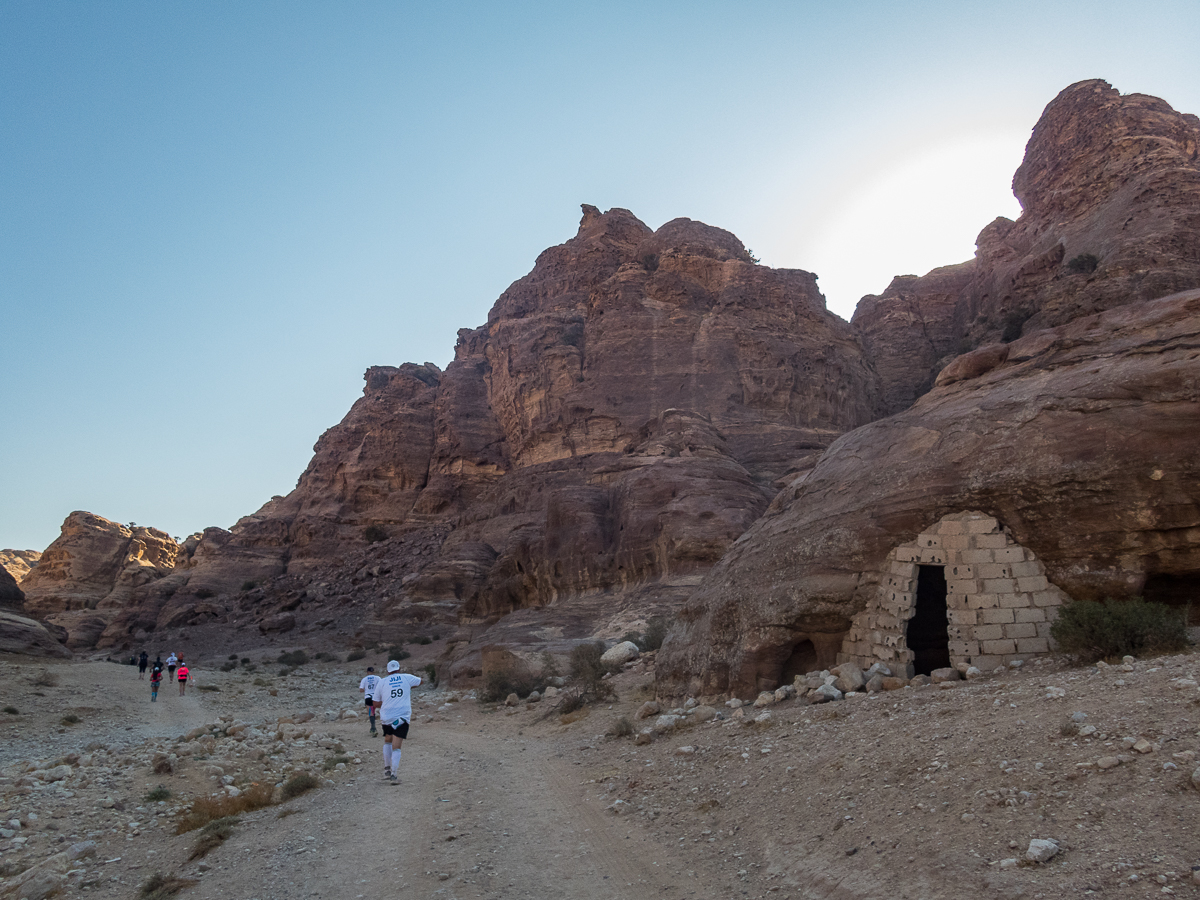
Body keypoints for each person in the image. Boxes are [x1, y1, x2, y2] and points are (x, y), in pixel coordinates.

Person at [371, 660, 421, 783]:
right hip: (402, 716)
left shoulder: (382, 682)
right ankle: (394, 775)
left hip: (386, 716)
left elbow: (375, 703)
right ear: (399, 669)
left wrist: (388, 701)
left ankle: (387, 770)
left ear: (388, 671)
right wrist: (407, 687)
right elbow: (420, 681)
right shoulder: (406, 677)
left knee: (387, 740)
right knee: (397, 745)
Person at [358, 666, 380, 736]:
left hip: (368, 697)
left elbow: (361, 690)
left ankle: (373, 728)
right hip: (376, 697)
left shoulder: (364, 679)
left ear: (367, 672)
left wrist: (367, 690)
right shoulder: (377, 678)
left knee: (371, 713)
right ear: (373, 672)